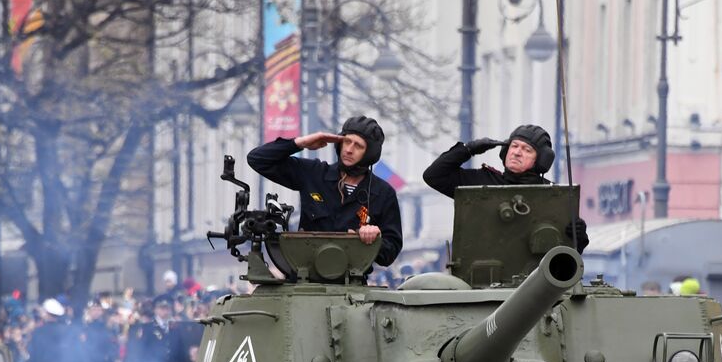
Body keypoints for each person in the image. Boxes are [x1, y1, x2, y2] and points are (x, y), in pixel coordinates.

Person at [246, 115, 403, 267]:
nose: (349, 150)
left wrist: (374, 239)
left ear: (370, 153)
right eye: (347, 141)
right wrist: (299, 143)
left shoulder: (382, 193)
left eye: (358, 146)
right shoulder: (314, 174)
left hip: (352, 281)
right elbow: (258, 159)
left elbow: (391, 251)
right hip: (304, 278)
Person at [420, 124, 589, 251]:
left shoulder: (551, 196)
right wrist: (468, 149)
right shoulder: (480, 182)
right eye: (514, 146)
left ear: (540, 161)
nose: (516, 152)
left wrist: (578, 236)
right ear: (505, 151)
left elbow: (568, 254)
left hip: (536, 280)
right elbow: (433, 176)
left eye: (526, 150)